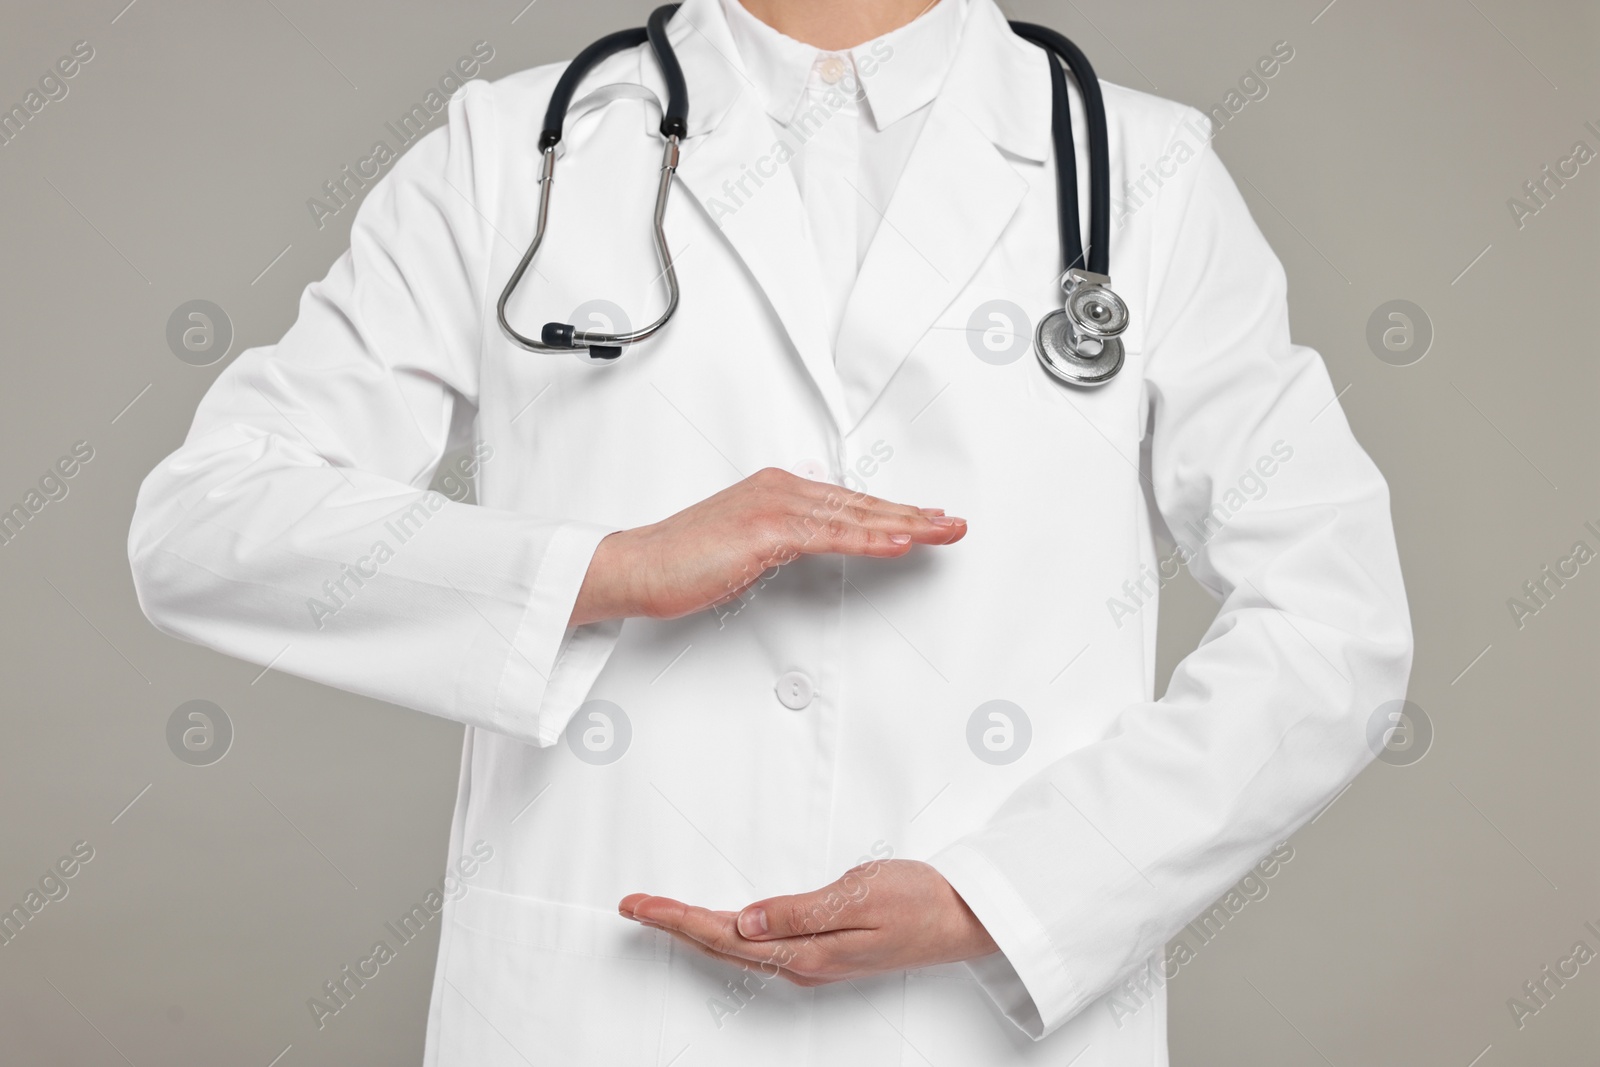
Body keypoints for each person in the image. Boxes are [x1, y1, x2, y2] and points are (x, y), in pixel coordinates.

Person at [127, 0, 1413, 1063]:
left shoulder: (1147, 175)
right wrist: (607, 569)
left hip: (974, 1018)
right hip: (602, 1011)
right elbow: (206, 518)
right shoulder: (514, 149)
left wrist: (1008, 892)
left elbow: (1331, 624)